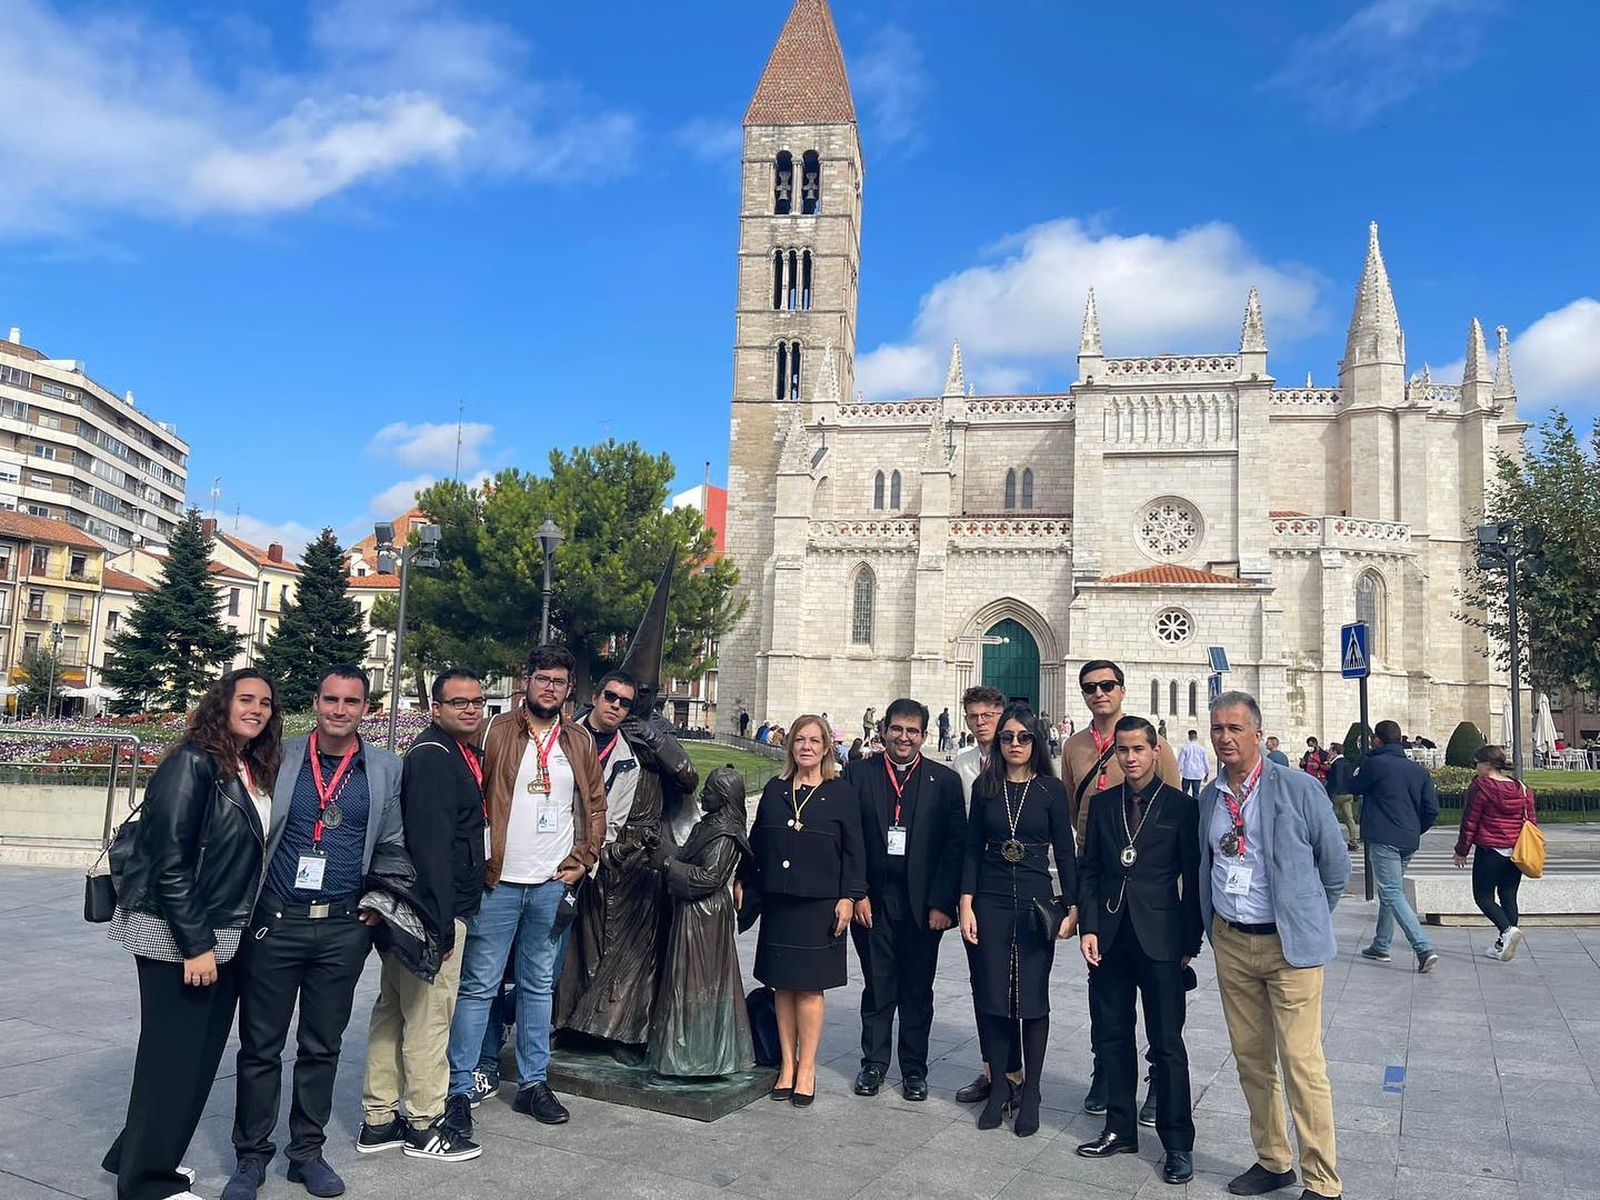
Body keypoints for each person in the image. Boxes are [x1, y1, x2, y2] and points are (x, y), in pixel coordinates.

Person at [226, 666, 404, 1200]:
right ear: (316, 701)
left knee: (321, 1047)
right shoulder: (279, 756)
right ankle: (251, 1157)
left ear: (366, 709)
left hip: (344, 929)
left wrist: (378, 904)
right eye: (331, 699)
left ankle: (306, 1152)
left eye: (352, 701)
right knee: (260, 1048)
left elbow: (394, 841)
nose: (340, 710)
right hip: (275, 923)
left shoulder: (385, 768)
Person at [104, 670, 282, 1200]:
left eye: (266, 703)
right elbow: (170, 862)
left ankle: (132, 1156)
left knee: (194, 1056)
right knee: (174, 1058)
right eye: (245, 699)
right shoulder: (192, 762)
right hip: (181, 936)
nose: (257, 709)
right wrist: (196, 945)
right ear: (221, 704)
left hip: (223, 933)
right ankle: (146, 1183)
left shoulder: (244, 765)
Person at [442, 645, 606, 1133]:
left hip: (551, 884)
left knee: (538, 987)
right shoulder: (495, 730)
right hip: (498, 881)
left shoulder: (577, 739)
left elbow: (595, 808)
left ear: (568, 688)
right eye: (542, 679)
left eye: (558, 681)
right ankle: (458, 1085)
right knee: (479, 986)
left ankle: (533, 1082)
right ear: (526, 681)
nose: (549, 688)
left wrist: (584, 859)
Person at [1202, 691, 1349, 1200]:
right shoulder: (1210, 798)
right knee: (1252, 1059)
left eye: (1235, 728)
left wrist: (1303, 919)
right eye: (1218, 728)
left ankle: (1323, 1181)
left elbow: (1335, 869)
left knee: (1302, 1063)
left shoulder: (1299, 788)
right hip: (1232, 943)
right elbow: (1210, 866)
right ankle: (1273, 1160)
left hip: (1290, 950)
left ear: (1257, 734)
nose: (1225, 738)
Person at [357, 668, 487, 1163]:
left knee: (393, 1011)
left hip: (416, 912)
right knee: (430, 1018)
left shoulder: (451, 752)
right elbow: (431, 846)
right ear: (436, 708)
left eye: (476, 701)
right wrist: (440, 921)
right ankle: (424, 1124)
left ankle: (378, 1119)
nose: (470, 709)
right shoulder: (435, 759)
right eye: (459, 702)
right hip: (433, 912)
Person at [1075, 715, 1200, 1185]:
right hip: (1109, 935)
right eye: (1122, 750)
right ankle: (1120, 1128)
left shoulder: (1180, 808)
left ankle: (1177, 1143)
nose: (1130, 758)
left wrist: (1189, 943)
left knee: (1167, 1045)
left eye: (1138, 749)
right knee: (1112, 1037)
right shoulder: (1103, 805)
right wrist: (1089, 926)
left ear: (1155, 751)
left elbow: (1193, 879)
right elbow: (1090, 870)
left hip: (1163, 940)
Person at [1060, 660, 1180, 1119]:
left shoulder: (1156, 746)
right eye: (1090, 687)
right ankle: (1105, 1072)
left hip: (1150, 883)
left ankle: (1156, 1080)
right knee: (1104, 988)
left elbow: (1172, 809)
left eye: (1107, 685)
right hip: (1101, 875)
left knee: (1158, 992)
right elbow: (1073, 808)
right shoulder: (1073, 747)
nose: (1099, 693)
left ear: (1122, 690)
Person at [959, 703, 1077, 1136]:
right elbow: (972, 849)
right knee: (993, 996)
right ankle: (999, 1087)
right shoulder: (987, 789)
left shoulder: (1049, 790)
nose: (1014, 744)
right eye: (1007, 737)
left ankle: (1031, 1092)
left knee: (1030, 998)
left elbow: (1064, 852)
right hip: (989, 901)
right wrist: (966, 902)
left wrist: (1074, 905)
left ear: (1036, 741)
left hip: (1034, 902)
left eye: (1023, 737)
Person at [737, 714, 866, 1105]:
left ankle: (806, 1067)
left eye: (814, 740)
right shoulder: (776, 790)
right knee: (781, 987)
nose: (806, 746)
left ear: (826, 747)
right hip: (780, 903)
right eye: (799, 740)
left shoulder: (840, 792)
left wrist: (850, 896)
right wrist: (744, 880)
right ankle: (787, 1065)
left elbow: (853, 850)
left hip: (819, 904)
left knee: (809, 989)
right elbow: (758, 842)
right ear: (790, 745)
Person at [845, 698, 965, 1102]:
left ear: (924, 736)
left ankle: (914, 1069)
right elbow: (851, 838)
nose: (904, 737)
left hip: (922, 905)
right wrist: (856, 892)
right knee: (878, 987)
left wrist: (942, 904)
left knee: (917, 990)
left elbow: (953, 847)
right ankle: (873, 1064)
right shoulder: (859, 773)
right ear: (884, 730)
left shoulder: (943, 782)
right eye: (897, 729)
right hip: (874, 901)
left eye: (912, 731)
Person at [648, 766, 755, 1076]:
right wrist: (662, 848)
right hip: (692, 912)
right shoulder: (707, 825)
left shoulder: (725, 834)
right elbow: (687, 856)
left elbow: (710, 877)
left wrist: (668, 864)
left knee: (698, 983)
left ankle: (701, 1056)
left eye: (708, 790)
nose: (702, 794)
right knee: (684, 980)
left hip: (705, 916)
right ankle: (682, 1053)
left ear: (722, 798)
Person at [950, 685, 1022, 1107]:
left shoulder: (1022, 759)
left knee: (1015, 983)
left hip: (1012, 885)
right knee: (982, 982)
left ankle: (1015, 1072)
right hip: (976, 884)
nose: (981, 722)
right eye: (974, 715)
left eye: (989, 715)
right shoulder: (961, 763)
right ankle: (989, 1069)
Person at [1352, 719, 1441, 972]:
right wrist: (1416, 829)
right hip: (1408, 838)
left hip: (1383, 837)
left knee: (1391, 892)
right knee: (1392, 891)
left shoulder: (1376, 764)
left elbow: (1353, 786)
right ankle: (1381, 944)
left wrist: (1362, 762)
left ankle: (1423, 947)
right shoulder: (1417, 770)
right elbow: (1432, 809)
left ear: (1377, 740)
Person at [1453, 744, 1537, 962]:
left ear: (1488, 764)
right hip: (1516, 850)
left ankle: (1508, 930)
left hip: (1491, 849)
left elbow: (1470, 821)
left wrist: (1461, 851)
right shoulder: (1520, 787)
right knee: (1508, 895)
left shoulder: (1481, 787)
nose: (1476, 766)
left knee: (1483, 897)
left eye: (1478, 762)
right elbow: (1531, 821)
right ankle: (1503, 942)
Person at [1322, 742, 1359, 850]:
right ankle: (1353, 840)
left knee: (1330, 817)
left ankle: (1332, 840)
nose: (1329, 752)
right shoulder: (1347, 762)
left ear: (1334, 751)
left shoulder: (1336, 763)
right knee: (1349, 818)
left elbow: (1336, 779)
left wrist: (1331, 791)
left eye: (1330, 750)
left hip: (1337, 793)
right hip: (1348, 793)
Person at [1177, 729, 1208, 799]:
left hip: (1187, 773)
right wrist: (1207, 772)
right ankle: (1194, 807)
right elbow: (1205, 761)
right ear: (1196, 737)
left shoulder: (1185, 748)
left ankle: (1183, 806)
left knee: (1184, 792)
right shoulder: (1201, 749)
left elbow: (1180, 761)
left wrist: (1178, 771)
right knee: (1196, 793)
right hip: (1197, 774)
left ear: (1189, 737)